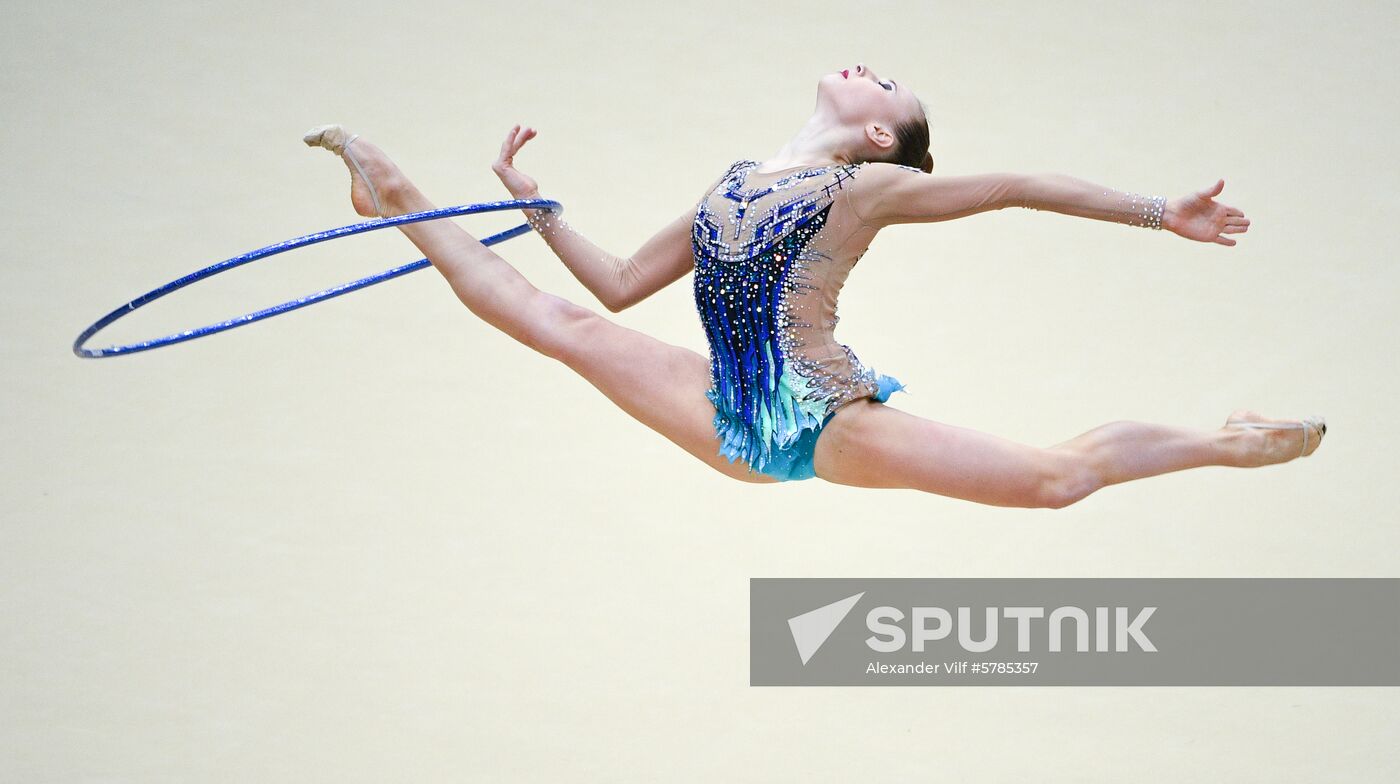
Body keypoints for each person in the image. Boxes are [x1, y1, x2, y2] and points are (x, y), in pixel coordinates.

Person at [302, 62, 1324, 508]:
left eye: (884, 82)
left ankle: (1225, 443)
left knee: (1054, 481)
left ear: (879, 132)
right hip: (724, 410)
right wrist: (536, 205)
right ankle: (392, 193)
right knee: (555, 318)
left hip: (820, 412)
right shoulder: (734, 183)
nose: (865, 68)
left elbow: (1017, 186)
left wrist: (1161, 212)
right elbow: (615, 285)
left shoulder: (867, 185)